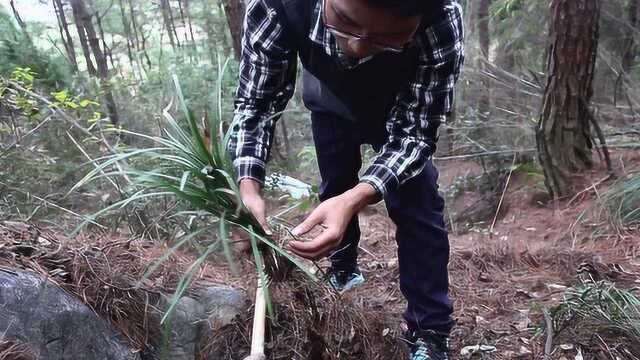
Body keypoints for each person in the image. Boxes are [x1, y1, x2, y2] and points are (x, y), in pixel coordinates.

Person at [228, 0, 464, 358]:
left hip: (398, 105)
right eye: (345, 22)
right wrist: (248, 187)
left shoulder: (442, 19)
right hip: (330, 102)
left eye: (386, 38)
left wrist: (358, 197)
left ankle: (430, 330)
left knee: (418, 203)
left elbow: (414, 136)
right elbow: (256, 104)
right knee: (335, 184)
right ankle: (343, 266)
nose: (356, 47)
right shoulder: (277, 5)